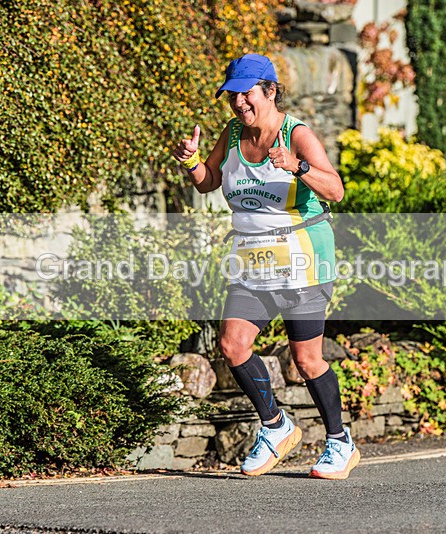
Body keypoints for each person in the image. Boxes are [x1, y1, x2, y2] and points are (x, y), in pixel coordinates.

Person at [171, 53, 358, 480]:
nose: (238, 104)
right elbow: (209, 181)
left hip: (303, 261)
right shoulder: (233, 132)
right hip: (253, 262)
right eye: (232, 96)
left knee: (306, 359)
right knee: (233, 344)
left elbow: (337, 190)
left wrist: (299, 166)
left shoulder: (298, 134)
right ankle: (276, 427)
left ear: (270, 91)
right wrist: (191, 161)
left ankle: (339, 442)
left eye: (246, 94)